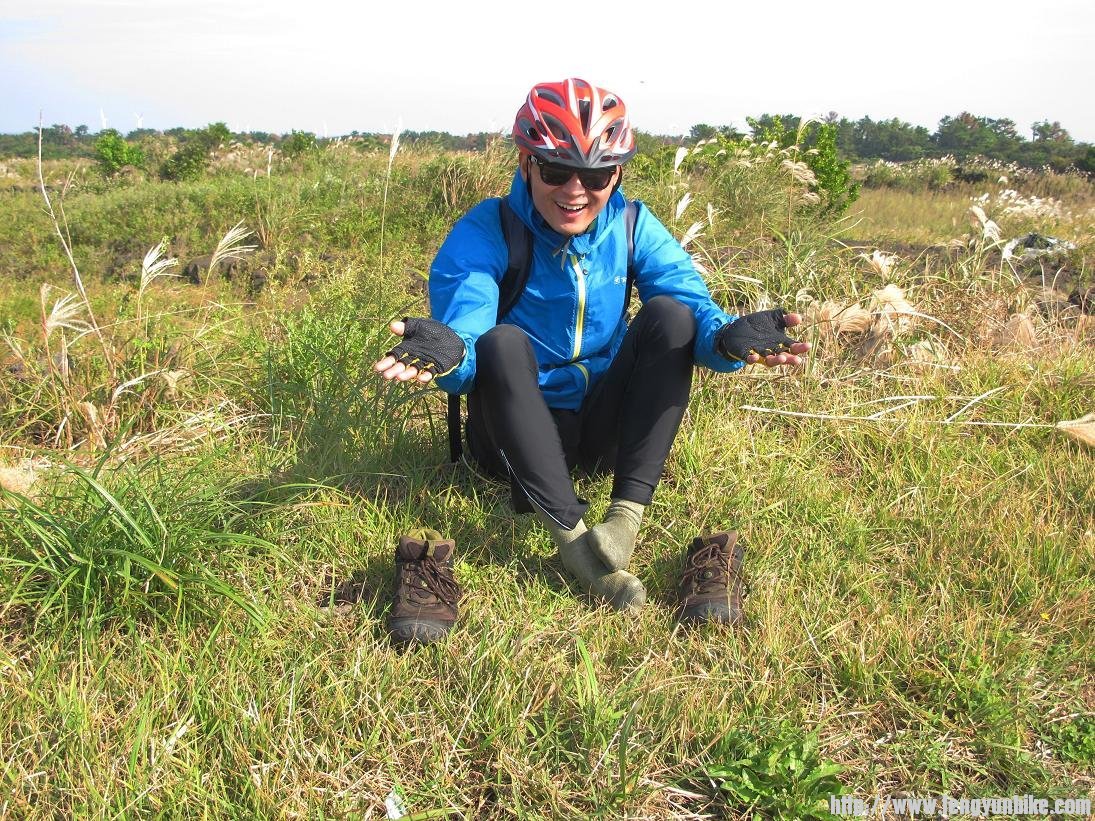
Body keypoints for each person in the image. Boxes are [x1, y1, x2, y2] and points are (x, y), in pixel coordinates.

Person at [374, 78, 809, 645]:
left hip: (599, 430)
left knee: (671, 315)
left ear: (619, 174)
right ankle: (576, 545)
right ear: (528, 165)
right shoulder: (488, 229)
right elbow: (470, 326)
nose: (575, 190)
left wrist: (725, 339)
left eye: (597, 175)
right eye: (556, 171)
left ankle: (624, 519)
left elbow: (690, 302)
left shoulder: (632, 225)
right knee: (503, 343)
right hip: (511, 435)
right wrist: (449, 353)